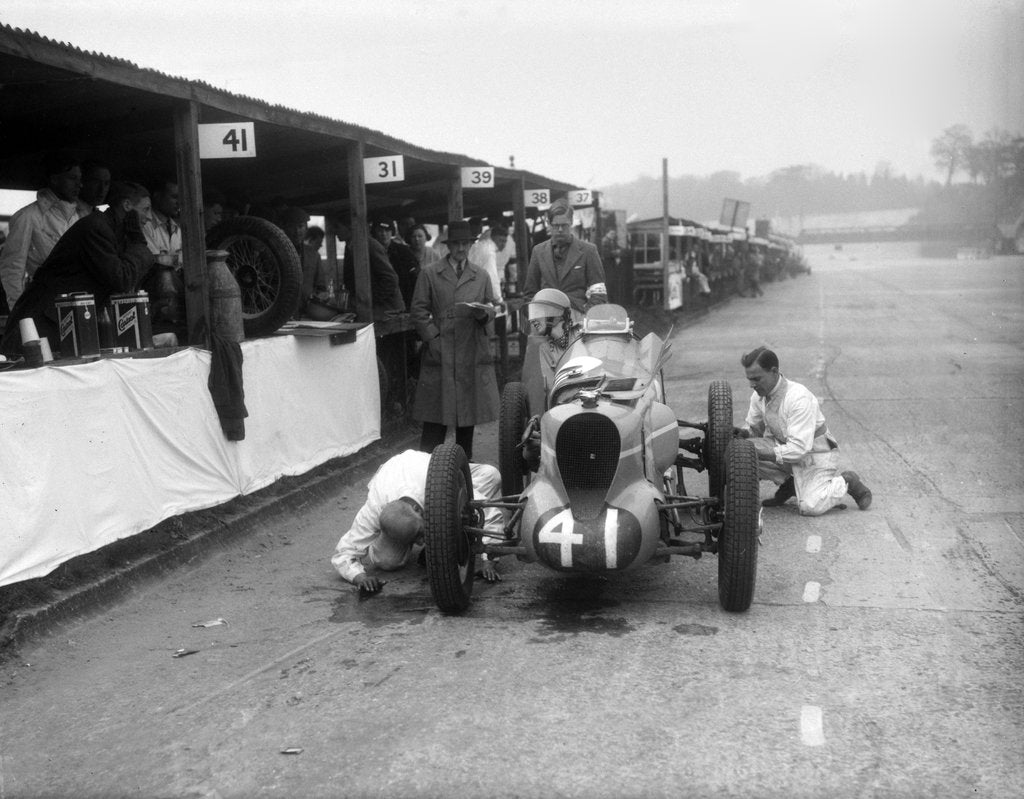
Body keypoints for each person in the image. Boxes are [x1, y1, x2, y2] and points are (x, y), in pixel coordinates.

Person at [1, 181, 154, 357]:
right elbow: (121, 279)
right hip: (46, 319)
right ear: (127, 205)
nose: (149, 217)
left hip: (65, 319)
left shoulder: (113, 230)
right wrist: (140, 245)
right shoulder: (97, 228)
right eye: (146, 209)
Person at [330, 449, 504, 592]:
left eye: (421, 533)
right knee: (387, 561)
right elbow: (343, 553)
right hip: (394, 474)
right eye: (416, 539)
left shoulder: (439, 487)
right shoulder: (374, 508)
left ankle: (455, 523)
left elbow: (491, 514)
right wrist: (360, 577)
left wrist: (489, 560)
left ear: (417, 510)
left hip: (427, 468)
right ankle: (404, 537)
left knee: (492, 475)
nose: (422, 542)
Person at [736, 346, 872, 516]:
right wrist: (742, 434)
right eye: (749, 379)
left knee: (810, 507)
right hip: (784, 447)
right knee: (738, 450)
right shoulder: (759, 395)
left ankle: (847, 481)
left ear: (774, 371)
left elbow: (800, 450)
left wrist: (760, 452)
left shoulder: (798, 398)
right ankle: (792, 483)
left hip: (815, 453)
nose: (752, 384)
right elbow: (754, 429)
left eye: (757, 378)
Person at [410, 219, 499, 460]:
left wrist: (485, 314)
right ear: (449, 246)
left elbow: (492, 305)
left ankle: (463, 475)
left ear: (471, 245)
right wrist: (433, 338)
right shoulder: (430, 273)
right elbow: (418, 311)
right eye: (457, 244)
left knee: (466, 421)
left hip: (470, 351)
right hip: (442, 354)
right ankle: (423, 473)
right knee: (434, 423)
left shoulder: (480, 276)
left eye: (465, 244)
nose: (461, 248)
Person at [0, 151, 89, 309]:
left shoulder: (83, 216)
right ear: (54, 179)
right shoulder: (27, 216)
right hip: (46, 307)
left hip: (83, 306)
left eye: (80, 179)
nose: (79, 185)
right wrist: (21, 312)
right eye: (72, 178)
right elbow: (12, 269)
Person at [522, 198, 607, 320]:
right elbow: (530, 293)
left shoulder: (589, 251)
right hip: (546, 322)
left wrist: (585, 318)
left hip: (578, 320)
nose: (560, 230)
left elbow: (599, 294)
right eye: (556, 225)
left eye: (564, 225)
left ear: (571, 222)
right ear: (549, 224)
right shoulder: (538, 251)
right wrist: (538, 321)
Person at [142, 178, 181, 263]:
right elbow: (156, 261)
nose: (179, 202)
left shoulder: (178, 228)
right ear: (157, 196)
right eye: (174, 197)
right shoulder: (145, 225)